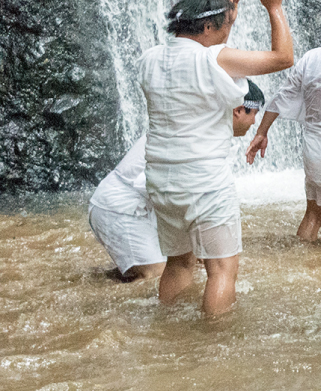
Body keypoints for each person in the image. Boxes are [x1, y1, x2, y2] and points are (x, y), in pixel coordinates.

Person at [140, 0, 294, 317]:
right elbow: (284, 57)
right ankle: (213, 346)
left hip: (160, 179)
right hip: (203, 180)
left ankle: (168, 331)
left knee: (178, 263)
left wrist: (228, 16)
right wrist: (275, 8)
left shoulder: (150, 58)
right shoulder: (214, 59)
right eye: (225, 25)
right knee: (221, 270)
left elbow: (207, 58)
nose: (228, 32)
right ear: (207, 26)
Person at [90, 84, 265, 283]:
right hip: (120, 209)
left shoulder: (201, 127)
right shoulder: (194, 136)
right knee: (154, 276)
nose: (254, 122)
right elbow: (170, 189)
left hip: (134, 205)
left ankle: (105, 278)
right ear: (238, 110)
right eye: (254, 114)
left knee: (183, 264)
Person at [247, 10, 321, 241]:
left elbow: (282, 96)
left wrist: (262, 132)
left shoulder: (312, 57)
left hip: (313, 150)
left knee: (313, 215)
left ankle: (301, 259)